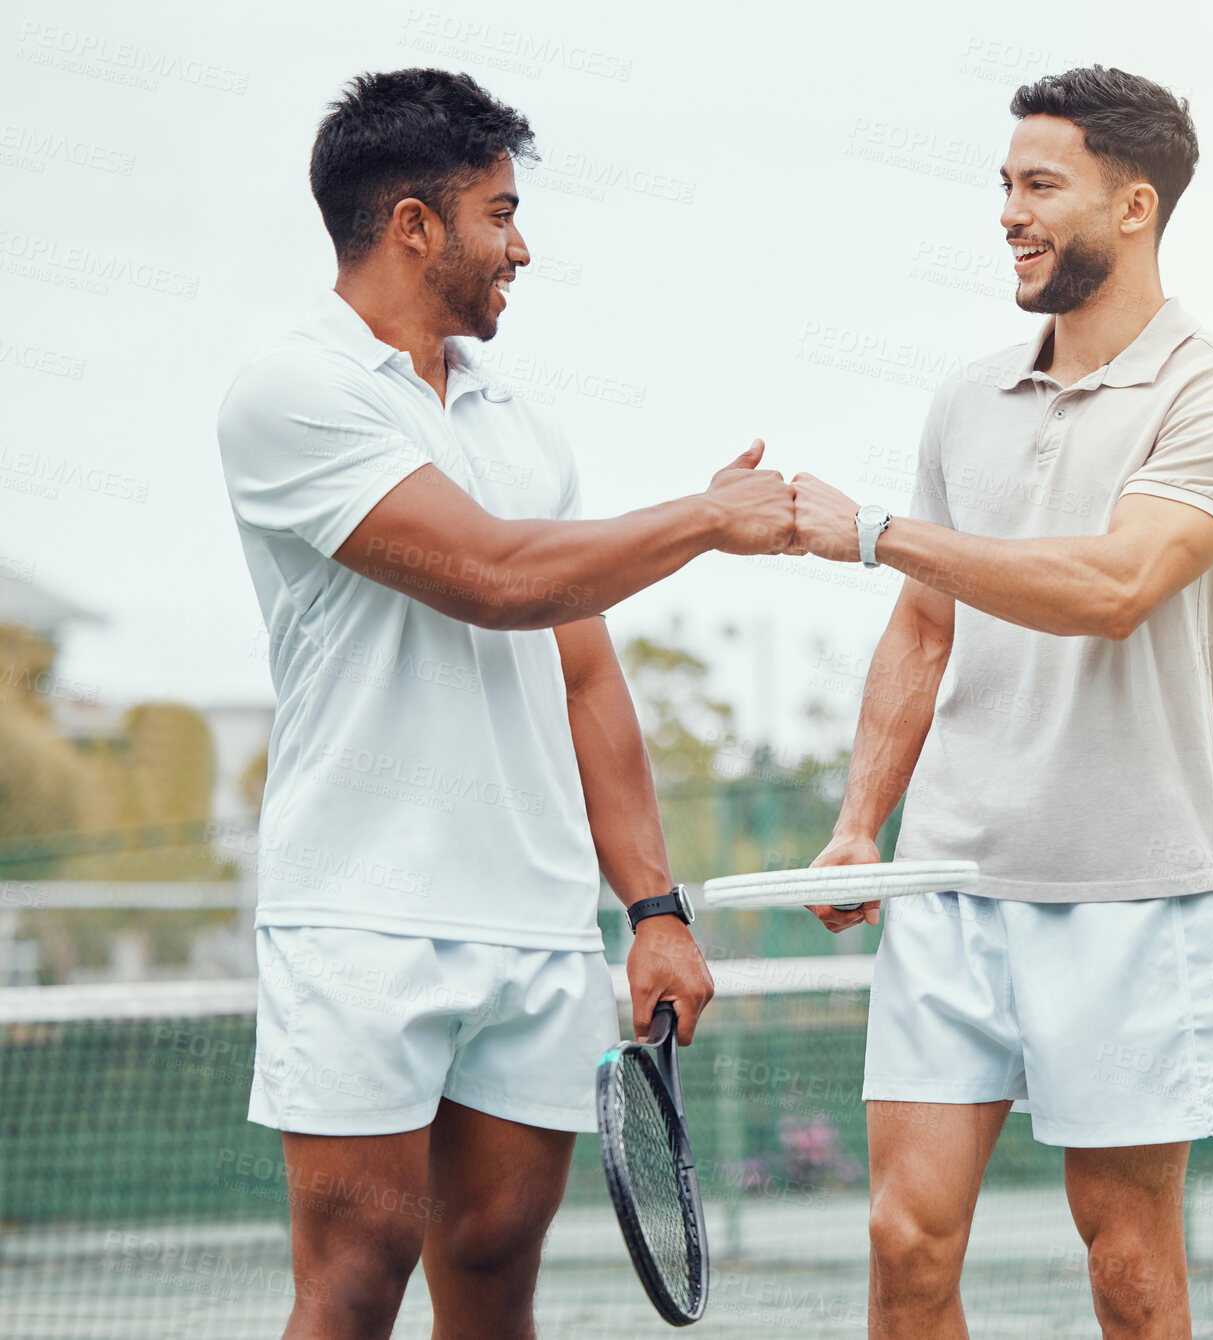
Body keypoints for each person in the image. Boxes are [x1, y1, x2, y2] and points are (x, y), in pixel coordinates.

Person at [215, 68, 794, 1340]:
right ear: (414, 224)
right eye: (499, 212)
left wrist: (654, 909)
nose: (521, 247)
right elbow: (492, 573)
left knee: (489, 1275)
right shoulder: (289, 393)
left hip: (534, 929)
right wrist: (705, 516)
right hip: (360, 918)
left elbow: (580, 665)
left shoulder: (521, 423)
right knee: (356, 1276)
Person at [790, 65, 1213, 1339]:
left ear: (1133, 205)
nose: (1008, 212)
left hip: (1126, 889)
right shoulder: (964, 399)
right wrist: (861, 821)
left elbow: (1112, 584)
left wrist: (870, 531)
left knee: (1125, 1264)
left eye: (1037, 185)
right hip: (948, 883)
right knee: (903, 1241)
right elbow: (926, 624)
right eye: (1003, 185)